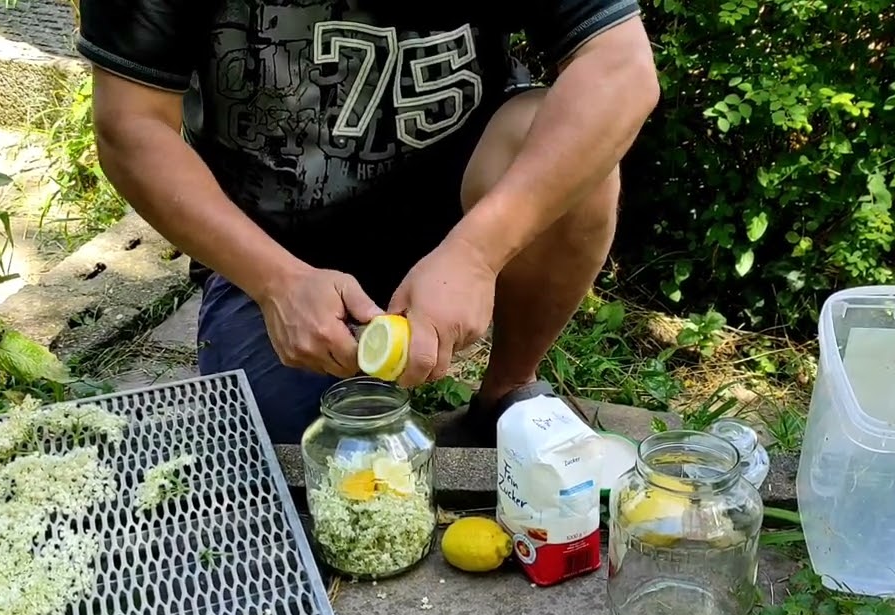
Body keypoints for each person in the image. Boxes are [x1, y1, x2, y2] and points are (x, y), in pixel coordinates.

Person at [76, 1, 660, 445]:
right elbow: (132, 127)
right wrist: (276, 282)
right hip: (273, 248)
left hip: (462, 209)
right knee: (302, 450)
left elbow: (620, 69)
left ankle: (503, 395)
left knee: (573, 155)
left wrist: (476, 253)